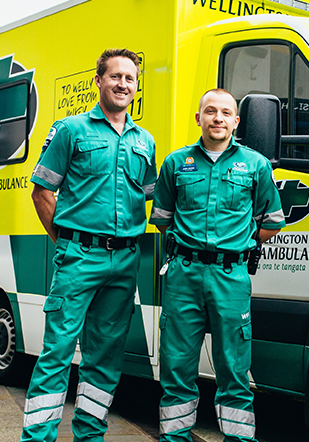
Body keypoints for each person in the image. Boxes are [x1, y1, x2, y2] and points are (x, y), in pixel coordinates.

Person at [23, 48, 157, 442]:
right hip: (79, 257)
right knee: (57, 353)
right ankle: (37, 439)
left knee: (105, 360)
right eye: (115, 76)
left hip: (125, 260)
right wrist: (66, 242)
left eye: (130, 79)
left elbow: (148, 197)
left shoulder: (144, 140)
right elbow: (42, 192)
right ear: (98, 81)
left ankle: (90, 436)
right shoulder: (71, 130)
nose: (122, 84)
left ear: (136, 86)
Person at [149, 88, 284, 442]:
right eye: (211, 111)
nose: (218, 118)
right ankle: (175, 438)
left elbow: (271, 221)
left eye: (226, 113)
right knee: (176, 365)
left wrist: (237, 244)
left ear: (236, 122)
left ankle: (238, 439)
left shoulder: (255, 165)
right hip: (183, 274)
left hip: (231, 276)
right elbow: (162, 218)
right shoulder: (175, 164)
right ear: (199, 118)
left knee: (234, 367)